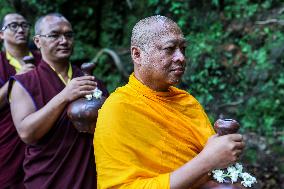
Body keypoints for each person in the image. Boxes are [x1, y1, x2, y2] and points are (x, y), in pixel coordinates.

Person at [94, 15, 245, 189]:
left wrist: (225, 150)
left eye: (183, 48)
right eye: (169, 49)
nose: (181, 57)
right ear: (137, 54)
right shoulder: (118, 109)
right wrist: (207, 160)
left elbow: (212, 167)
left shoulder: (187, 101)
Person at [9, 13, 107, 188]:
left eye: (69, 35)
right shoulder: (25, 82)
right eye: (55, 35)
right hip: (47, 177)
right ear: (38, 41)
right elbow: (27, 133)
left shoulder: (91, 82)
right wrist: (64, 96)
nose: (64, 41)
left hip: (89, 176)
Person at [0, 13, 41, 188]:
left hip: (42, 136)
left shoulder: (43, 59)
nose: (20, 29)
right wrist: (15, 79)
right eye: (13, 26)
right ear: (1, 34)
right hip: (7, 142)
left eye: (24, 25)